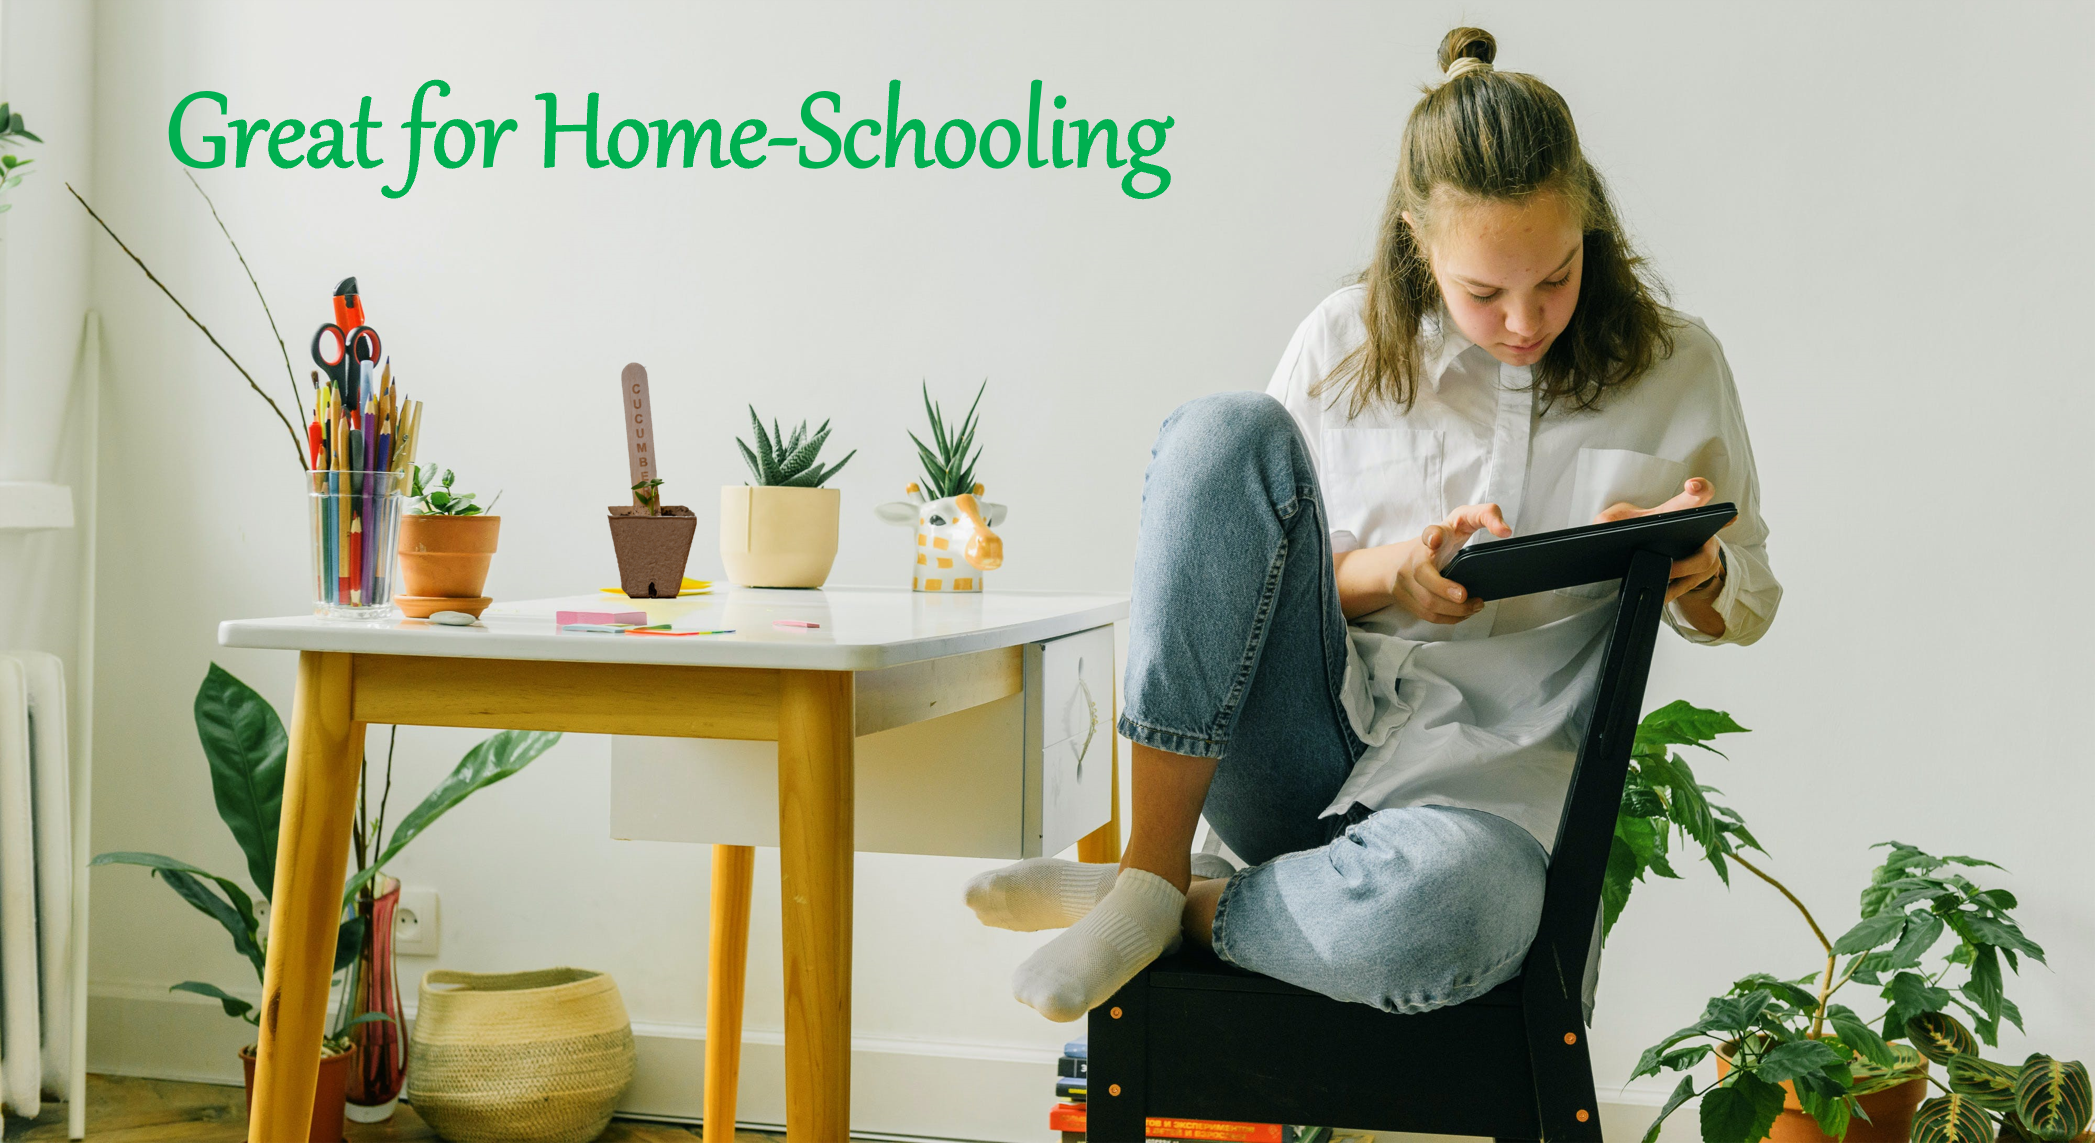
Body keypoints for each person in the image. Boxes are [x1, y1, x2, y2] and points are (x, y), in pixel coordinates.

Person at [965, 26, 1780, 1022]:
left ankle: (1173, 908)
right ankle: (1150, 863)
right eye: (1484, 292)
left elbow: (1747, 598)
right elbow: (1253, 570)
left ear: (1590, 229)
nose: (1524, 321)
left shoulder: (1677, 366)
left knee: (1454, 909)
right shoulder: (1340, 340)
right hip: (1309, 749)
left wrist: (1700, 577)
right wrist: (1389, 574)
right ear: (1416, 242)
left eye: (1555, 278)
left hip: (1491, 808)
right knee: (1222, 433)